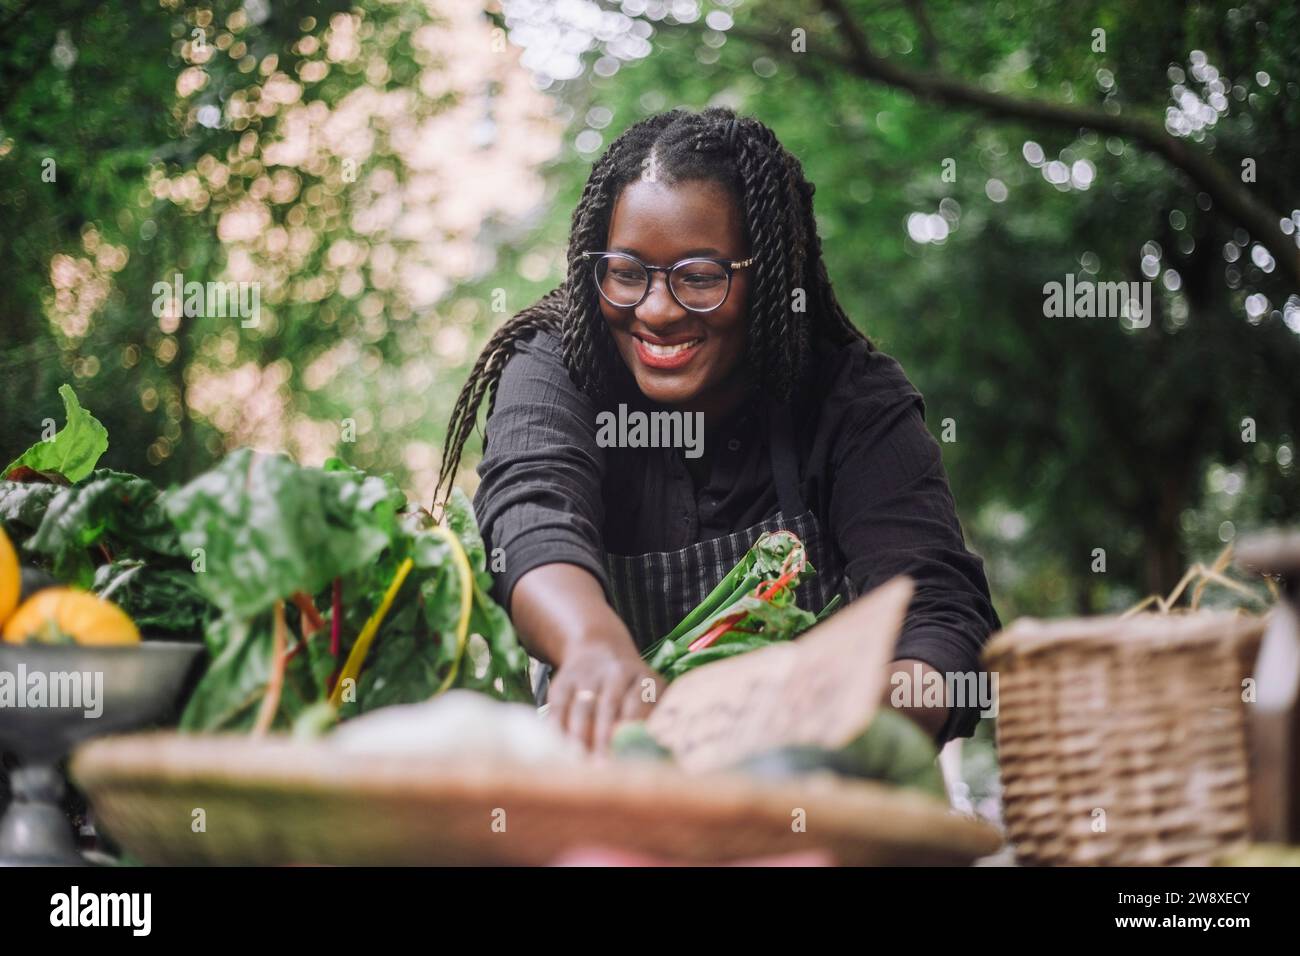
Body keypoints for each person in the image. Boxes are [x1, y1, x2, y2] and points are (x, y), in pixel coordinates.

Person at [437, 107, 1000, 752]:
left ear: (768, 278)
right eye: (626, 273)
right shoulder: (557, 363)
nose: (655, 310)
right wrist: (593, 645)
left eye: (700, 278)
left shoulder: (852, 397)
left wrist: (841, 725)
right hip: (598, 788)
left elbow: (936, 607)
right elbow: (530, 512)